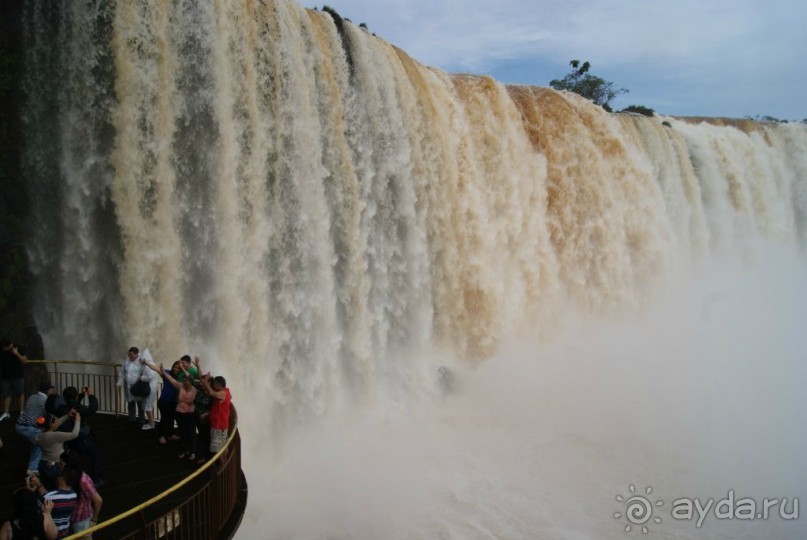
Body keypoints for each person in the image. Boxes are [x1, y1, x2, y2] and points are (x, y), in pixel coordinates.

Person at [57, 386, 104, 486]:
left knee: (77, 458)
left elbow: (73, 404)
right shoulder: (78, 409)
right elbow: (93, 407)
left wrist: (82, 395)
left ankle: (75, 478)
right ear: (75, 395)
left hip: (68, 439)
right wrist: (90, 395)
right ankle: (96, 480)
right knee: (95, 455)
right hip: (82, 438)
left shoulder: (61, 408)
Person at [158, 363, 197, 461]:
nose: (184, 382)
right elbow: (171, 379)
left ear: (191, 382)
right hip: (180, 413)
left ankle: (192, 451)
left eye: (186, 380)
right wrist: (162, 371)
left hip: (190, 414)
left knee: (191, 433)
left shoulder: (196, 390)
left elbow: (205, 386)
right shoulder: (180, 386)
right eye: (184, 380)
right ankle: (183, 450)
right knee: (182, 432)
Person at [15, 382, 55, 475]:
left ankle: (33, 467)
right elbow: (50, 414)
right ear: (48, 390)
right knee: (43, 441)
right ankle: (33, 468)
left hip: (20, 425)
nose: (52, 391)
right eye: (51, 389)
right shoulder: (45, 400)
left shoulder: (32, 396)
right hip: (28, 427)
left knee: (36, 444)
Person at [36, 411, 81, 490]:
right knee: (57, 487)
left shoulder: (40, 435)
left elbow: (53, 426)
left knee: (48, 486)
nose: (56, 421)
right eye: (54, 420)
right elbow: (74, 434)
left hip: (43, 464)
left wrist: (67, 415)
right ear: (52, 424)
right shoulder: (55, 436)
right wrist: (78, 420)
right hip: (55, 466)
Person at [28, 468, 78, 538]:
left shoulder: (50, 497)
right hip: (65, 533)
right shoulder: (73, 495)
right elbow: (49, 497)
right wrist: (39, 484)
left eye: (59, 475)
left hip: (49, 534)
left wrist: (29, 491)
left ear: (62, 478)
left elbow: (34, 508)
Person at [61, 451, 102, 535]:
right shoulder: (67, 476)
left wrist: (94, 519)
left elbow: (98, 500)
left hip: (81, 520)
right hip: (71, 517)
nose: (59, 466)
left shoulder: (83, 481)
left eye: (61, 463)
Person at [144, 360, 182, 444]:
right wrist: (147, 363)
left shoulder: (181, 377)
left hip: (174, 401)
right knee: (164, 419)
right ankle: (160, 436)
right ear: (173, 367)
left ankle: (170, 435)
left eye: (178, 368)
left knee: (171, 419)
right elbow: (156, 368)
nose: (176, 369)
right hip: (164, 401)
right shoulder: (167, 373)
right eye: (175, 367)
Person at [200, 372, 232, 456]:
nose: (212, 385)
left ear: (218, 385)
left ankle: (222, 466)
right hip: (218, 425)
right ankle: (221, 464)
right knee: (220, 446)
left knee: (218, 450)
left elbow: (211, 393)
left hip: (219, 426)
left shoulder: (222, 393)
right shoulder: (225, 390)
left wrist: (205, 382)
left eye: (214, 384)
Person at [0, 340, 29, 422]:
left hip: (17, 375)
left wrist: (16, 354)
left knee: (20, 393)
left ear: (10, 345)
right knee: (6, 394)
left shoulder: (18, 347)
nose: (4, 349)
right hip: (5, 376)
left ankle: (21, 411)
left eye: (5, 348)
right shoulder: (2, 348)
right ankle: (6, 412)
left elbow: (25, 361)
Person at [117, 347, 145, 425]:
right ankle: (132, 419)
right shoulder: (126, 362)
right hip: (129, 387)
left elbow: (145, 372)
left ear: (136, 354)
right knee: (131, 403)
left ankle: (141, 420)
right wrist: (119, 383)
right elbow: (122, 373)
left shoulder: (141, 362)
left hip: (138, 387)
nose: (130, 356)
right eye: (129, 354)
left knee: (140, 404)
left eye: (131, 354)